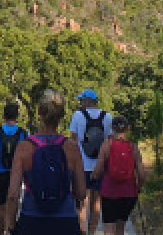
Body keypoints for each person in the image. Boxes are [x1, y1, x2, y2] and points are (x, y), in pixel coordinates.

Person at [6, 89, 87, 235]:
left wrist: (11, 225)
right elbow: (81, 193)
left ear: (39, 112)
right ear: (61, 115)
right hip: (66, 222)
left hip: (31, 220)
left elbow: (13, 194)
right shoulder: (72, 148)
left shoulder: (24, 147)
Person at [90, 115, 144, 235]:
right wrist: (139, 187)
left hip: (110, 193)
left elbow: (98, 170)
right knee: (120, 228)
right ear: (128, 129)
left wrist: (93, 176)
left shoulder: (106, 145)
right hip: (129, 193)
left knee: (109, 229)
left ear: (112, 128)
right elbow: (141, 173)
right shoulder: (133, 147)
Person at [68, 89, 112, 235]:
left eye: (82, 100)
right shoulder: (107, 117)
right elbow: (109, 142)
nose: (81, 103)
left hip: (82, 166)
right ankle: (92, 232)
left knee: (82, 202)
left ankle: (82, 231)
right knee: (97, 202)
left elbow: (73, 141)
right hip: (100, 166)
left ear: (88, 101)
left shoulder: (78, 115)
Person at [0, 101, 28, 235]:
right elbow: (26, 154)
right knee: (14, 202)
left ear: (4, 115)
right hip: (16, 173)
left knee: (0, 206)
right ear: (16, 116)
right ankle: (11, 230)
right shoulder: (23, 133)